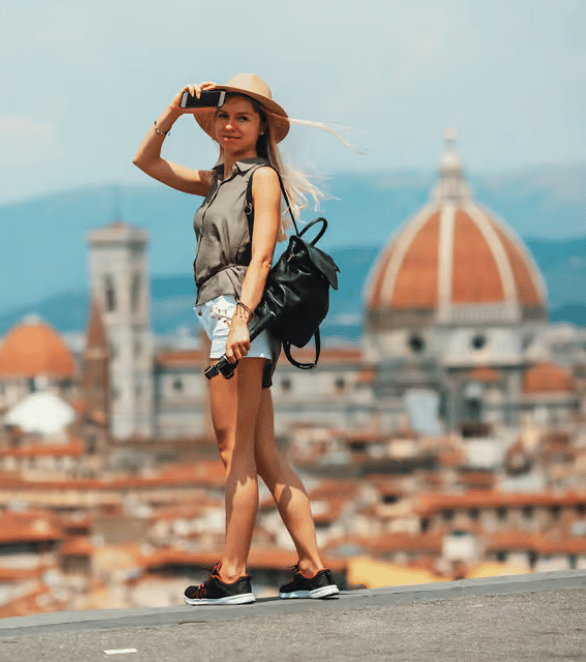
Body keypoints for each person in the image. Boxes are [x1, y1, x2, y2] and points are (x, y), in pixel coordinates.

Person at [132, 73, 341, 605]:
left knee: (234, 452)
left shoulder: (260, 178)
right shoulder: (218, 179)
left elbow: (263, 254)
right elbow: (146, 162)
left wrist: (242, 320)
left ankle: (231, 574)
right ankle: (313, 569)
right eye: (224, 116)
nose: (230, 125)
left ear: (262, 128)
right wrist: (176, 110)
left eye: (243, 118)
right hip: (224, 313)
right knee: (263, 451)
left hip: (235, 313)